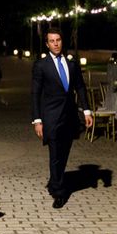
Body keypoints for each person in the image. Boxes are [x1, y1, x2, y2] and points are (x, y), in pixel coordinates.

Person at [31, 28, 93, 209]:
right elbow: (35, 93)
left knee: (64, 153)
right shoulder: (41, 65)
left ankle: (55, 179)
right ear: (47, 44)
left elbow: (80, 87)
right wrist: (37, 120)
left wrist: (87, 111)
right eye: (52, 41)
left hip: (70, 117)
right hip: (50, 117)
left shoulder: (72, 64)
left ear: (62, 41)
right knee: (55, 154)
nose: (56, 43)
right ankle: (59, 192)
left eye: (58, 40)